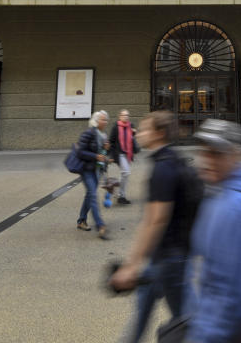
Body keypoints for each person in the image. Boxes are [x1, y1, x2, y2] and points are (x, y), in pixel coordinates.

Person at [109, 111, 196, 342]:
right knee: (141, 317)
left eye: (145, 129)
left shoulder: (163, 168)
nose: (139, 133)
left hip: (169, 260)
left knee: (189, 322)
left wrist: (131, 265)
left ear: (159, 134)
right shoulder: (171, 160)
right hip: (161, 258)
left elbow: (155, 220)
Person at [186, 119, 241, 342]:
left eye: (217, 153)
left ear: (236, 155)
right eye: (204, 152)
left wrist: (203, 336)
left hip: (227, 331)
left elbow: (224, 288)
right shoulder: (220, 195)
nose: (207, 160)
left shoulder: (232, 207)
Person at [76, 110, 109, 239]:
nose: (105, 122)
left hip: (97, 169)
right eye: (103, 119)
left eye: (106, 119)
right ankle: (100, 225)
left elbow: (102, 153)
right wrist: (96, 156)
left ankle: (81, 220)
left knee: (90, 195)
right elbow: (80, 152)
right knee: (93, 195)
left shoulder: (103, 135)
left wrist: (106, 151)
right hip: (87, 169)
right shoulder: (88, 133)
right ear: (96, 121)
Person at [109, 109, 137, 205]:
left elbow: (132, 139)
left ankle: (121, 195)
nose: (126, 117)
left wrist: (134, 132)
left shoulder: (131, 126)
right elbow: (111, 141)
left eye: (127, 115)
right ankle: (120, 194)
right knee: (126, 172)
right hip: (119, 153)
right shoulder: (116, 127)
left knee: (124, 175)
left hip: (128, 154)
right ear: (119, 116)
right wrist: (111, 155)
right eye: (124, 115)